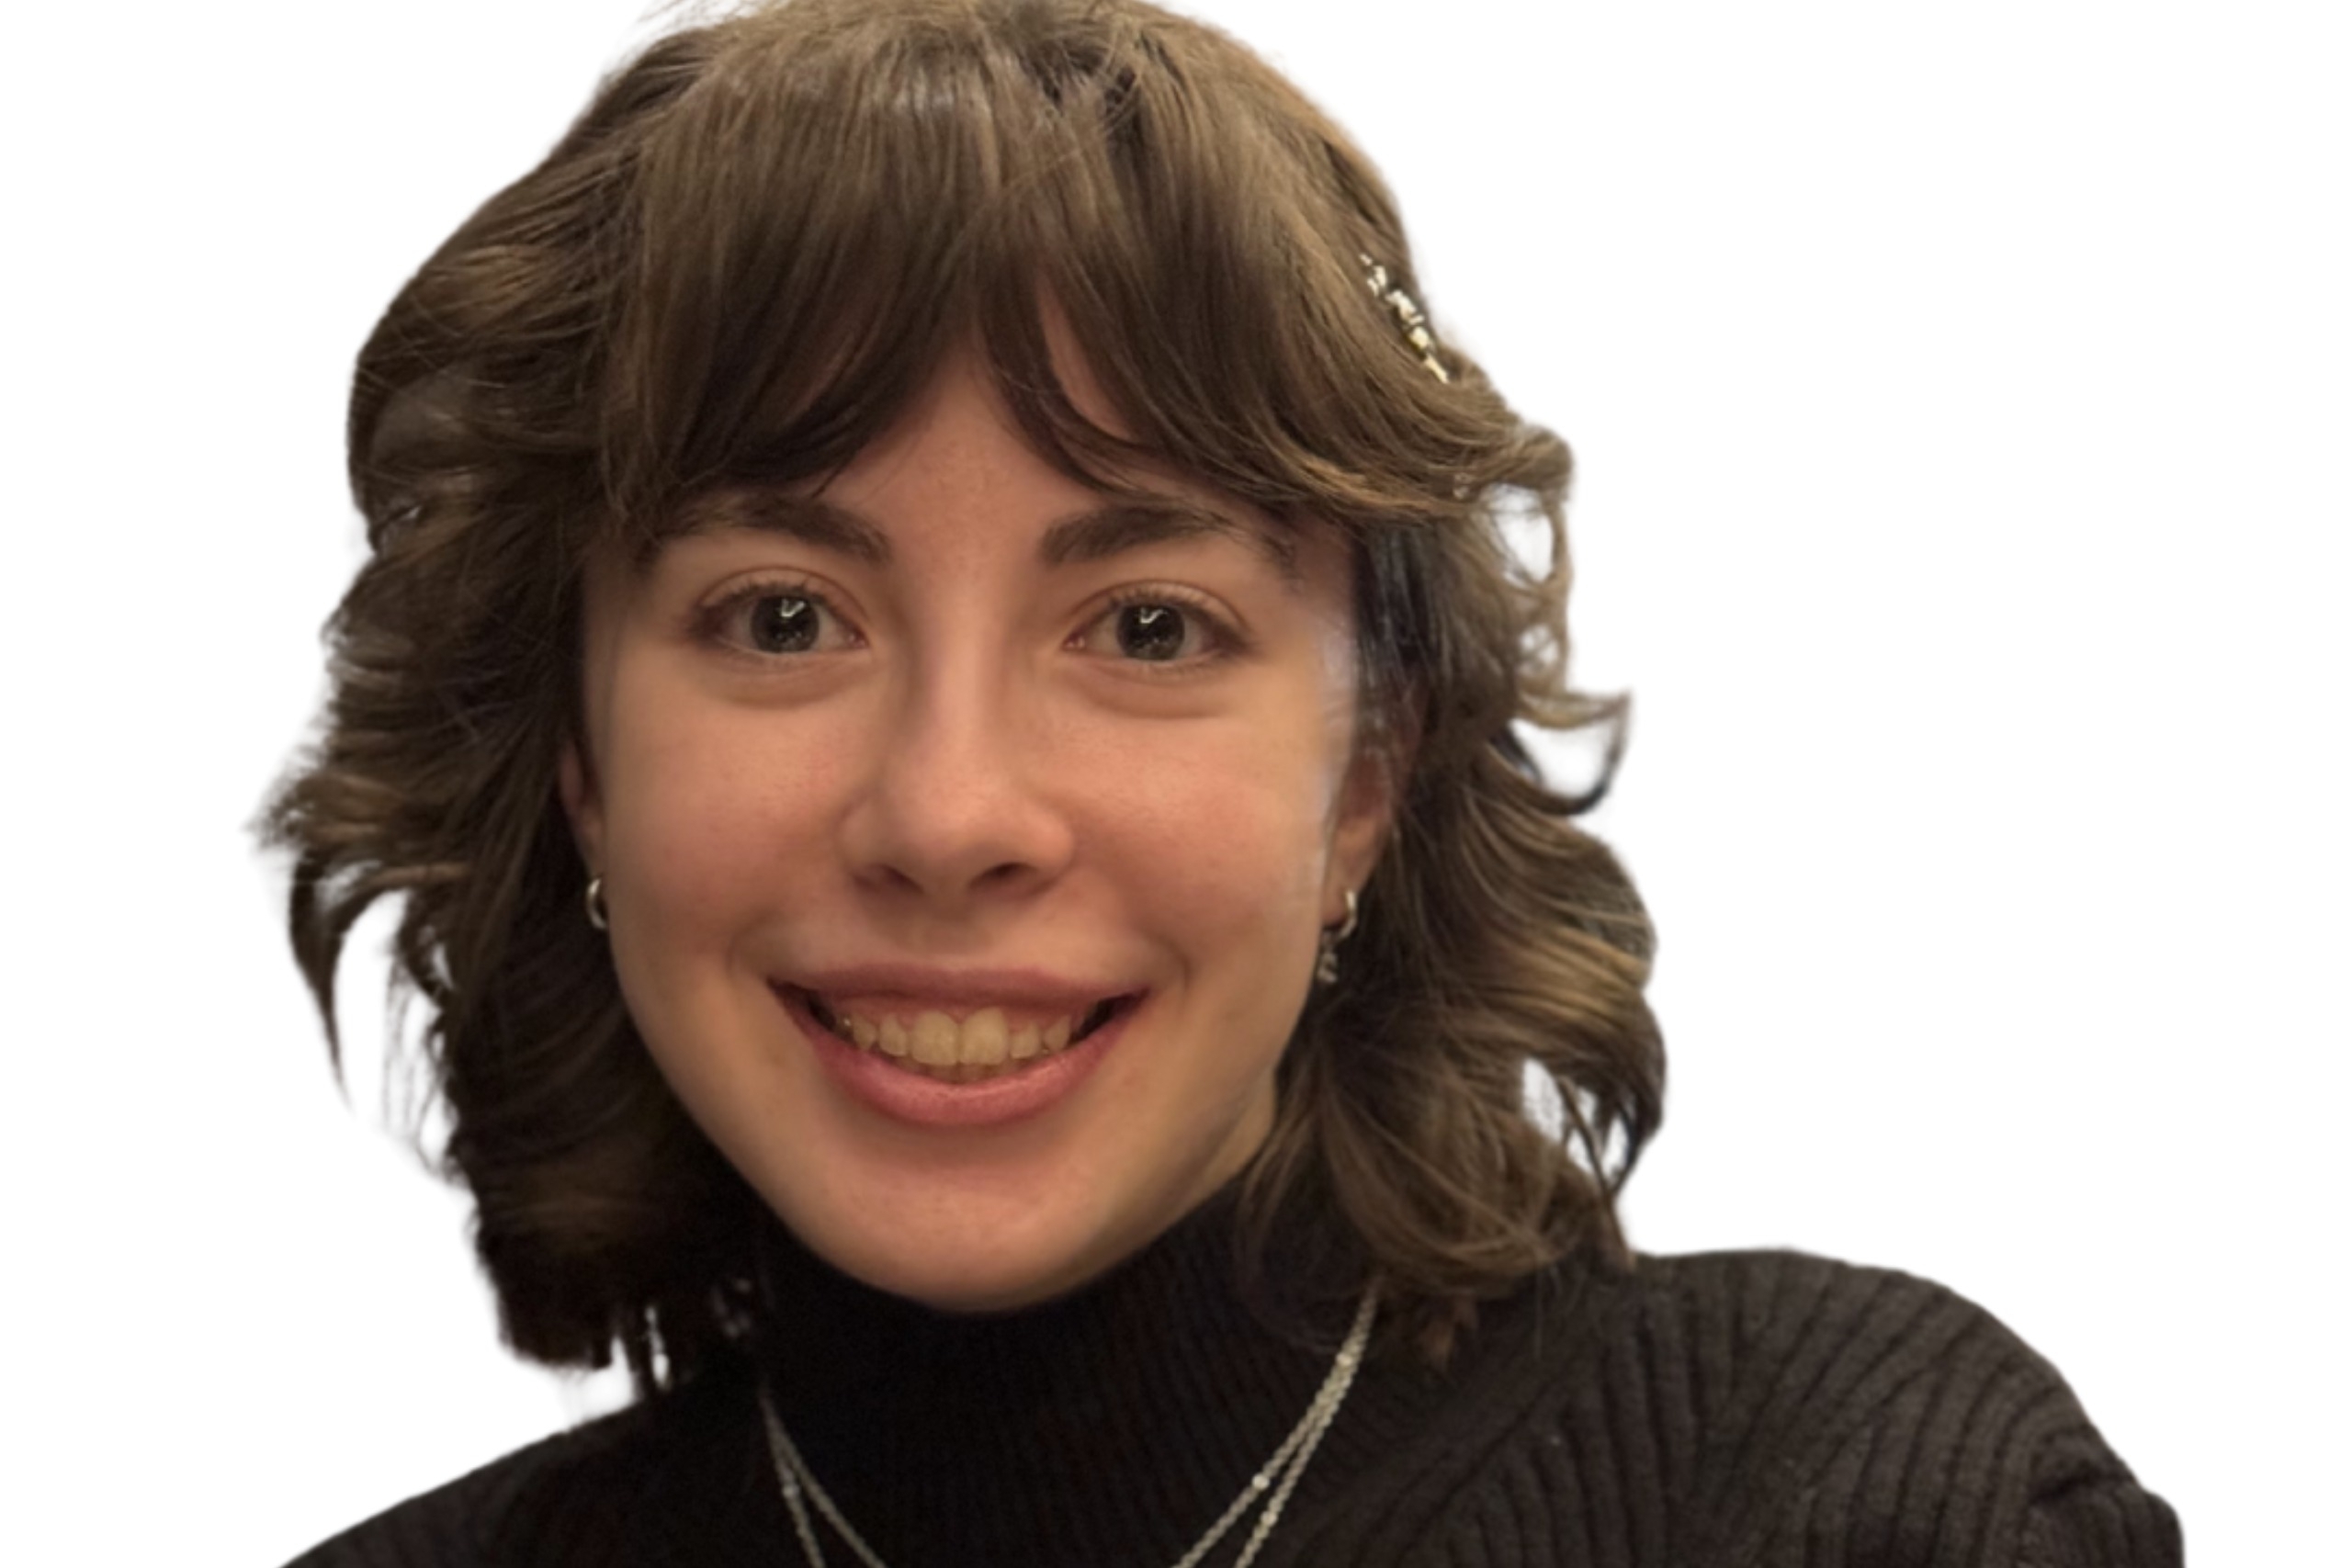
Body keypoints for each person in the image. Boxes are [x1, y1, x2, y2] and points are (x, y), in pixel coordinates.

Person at [269, 0, 2179, 1562]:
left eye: (1149, 627)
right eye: (781, 618)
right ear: (581, 762)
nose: (948, 816)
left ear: (1370, 775)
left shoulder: (1859, 1502)